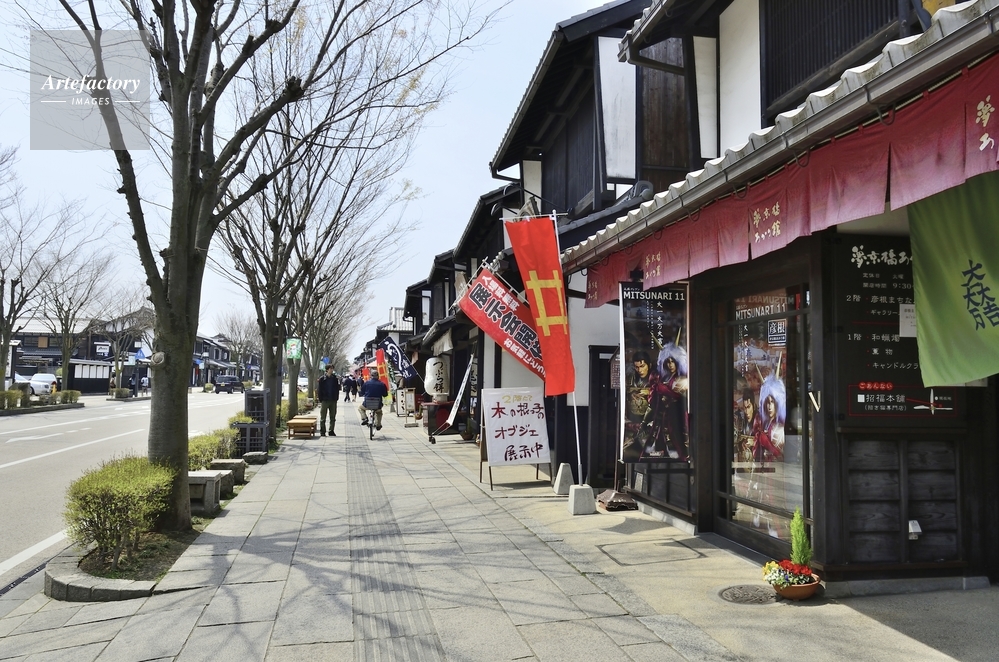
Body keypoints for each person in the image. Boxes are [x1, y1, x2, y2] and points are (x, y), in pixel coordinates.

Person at [641, 342, 689, 461]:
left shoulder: (682, 380)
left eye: (673, 361)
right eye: (668, 362)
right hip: (660, 418)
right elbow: (652, 402)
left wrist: (665, 390)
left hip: (676, 418)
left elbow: (683, 398)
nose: (670, 365)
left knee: (677, 448)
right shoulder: (661, 379)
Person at [622, 351, 653, 462]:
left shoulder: (655, 380)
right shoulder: (629, 380)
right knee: (627, 451)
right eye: (637, 367)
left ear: (649, 365)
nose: (639, 370)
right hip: (632, 422)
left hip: (650, 422)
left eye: (642, 366)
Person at [316, 366, 341, 437]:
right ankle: (322, 431)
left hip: (333, 400)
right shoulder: (322, 379)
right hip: (325, 400)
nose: (332, 370)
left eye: (332, 369)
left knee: (333, 417)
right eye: (330, 369)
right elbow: (319, 389)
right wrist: (320, 399)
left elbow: (337, 388)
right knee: (323, 417)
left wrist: (336, 397)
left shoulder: (335, 379)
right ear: (327, 370)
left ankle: (331, 431)